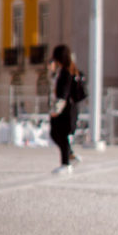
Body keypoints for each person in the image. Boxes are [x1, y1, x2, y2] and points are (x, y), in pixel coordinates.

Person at [48, 44, 84, 176]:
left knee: (59, 135)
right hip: (71, 109)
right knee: (60, 136)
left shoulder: (65, 73)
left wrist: (55, 111)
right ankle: (70, 157)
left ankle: (66, 163)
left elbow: (62, 93)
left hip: (64, 110)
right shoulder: (72, 71)